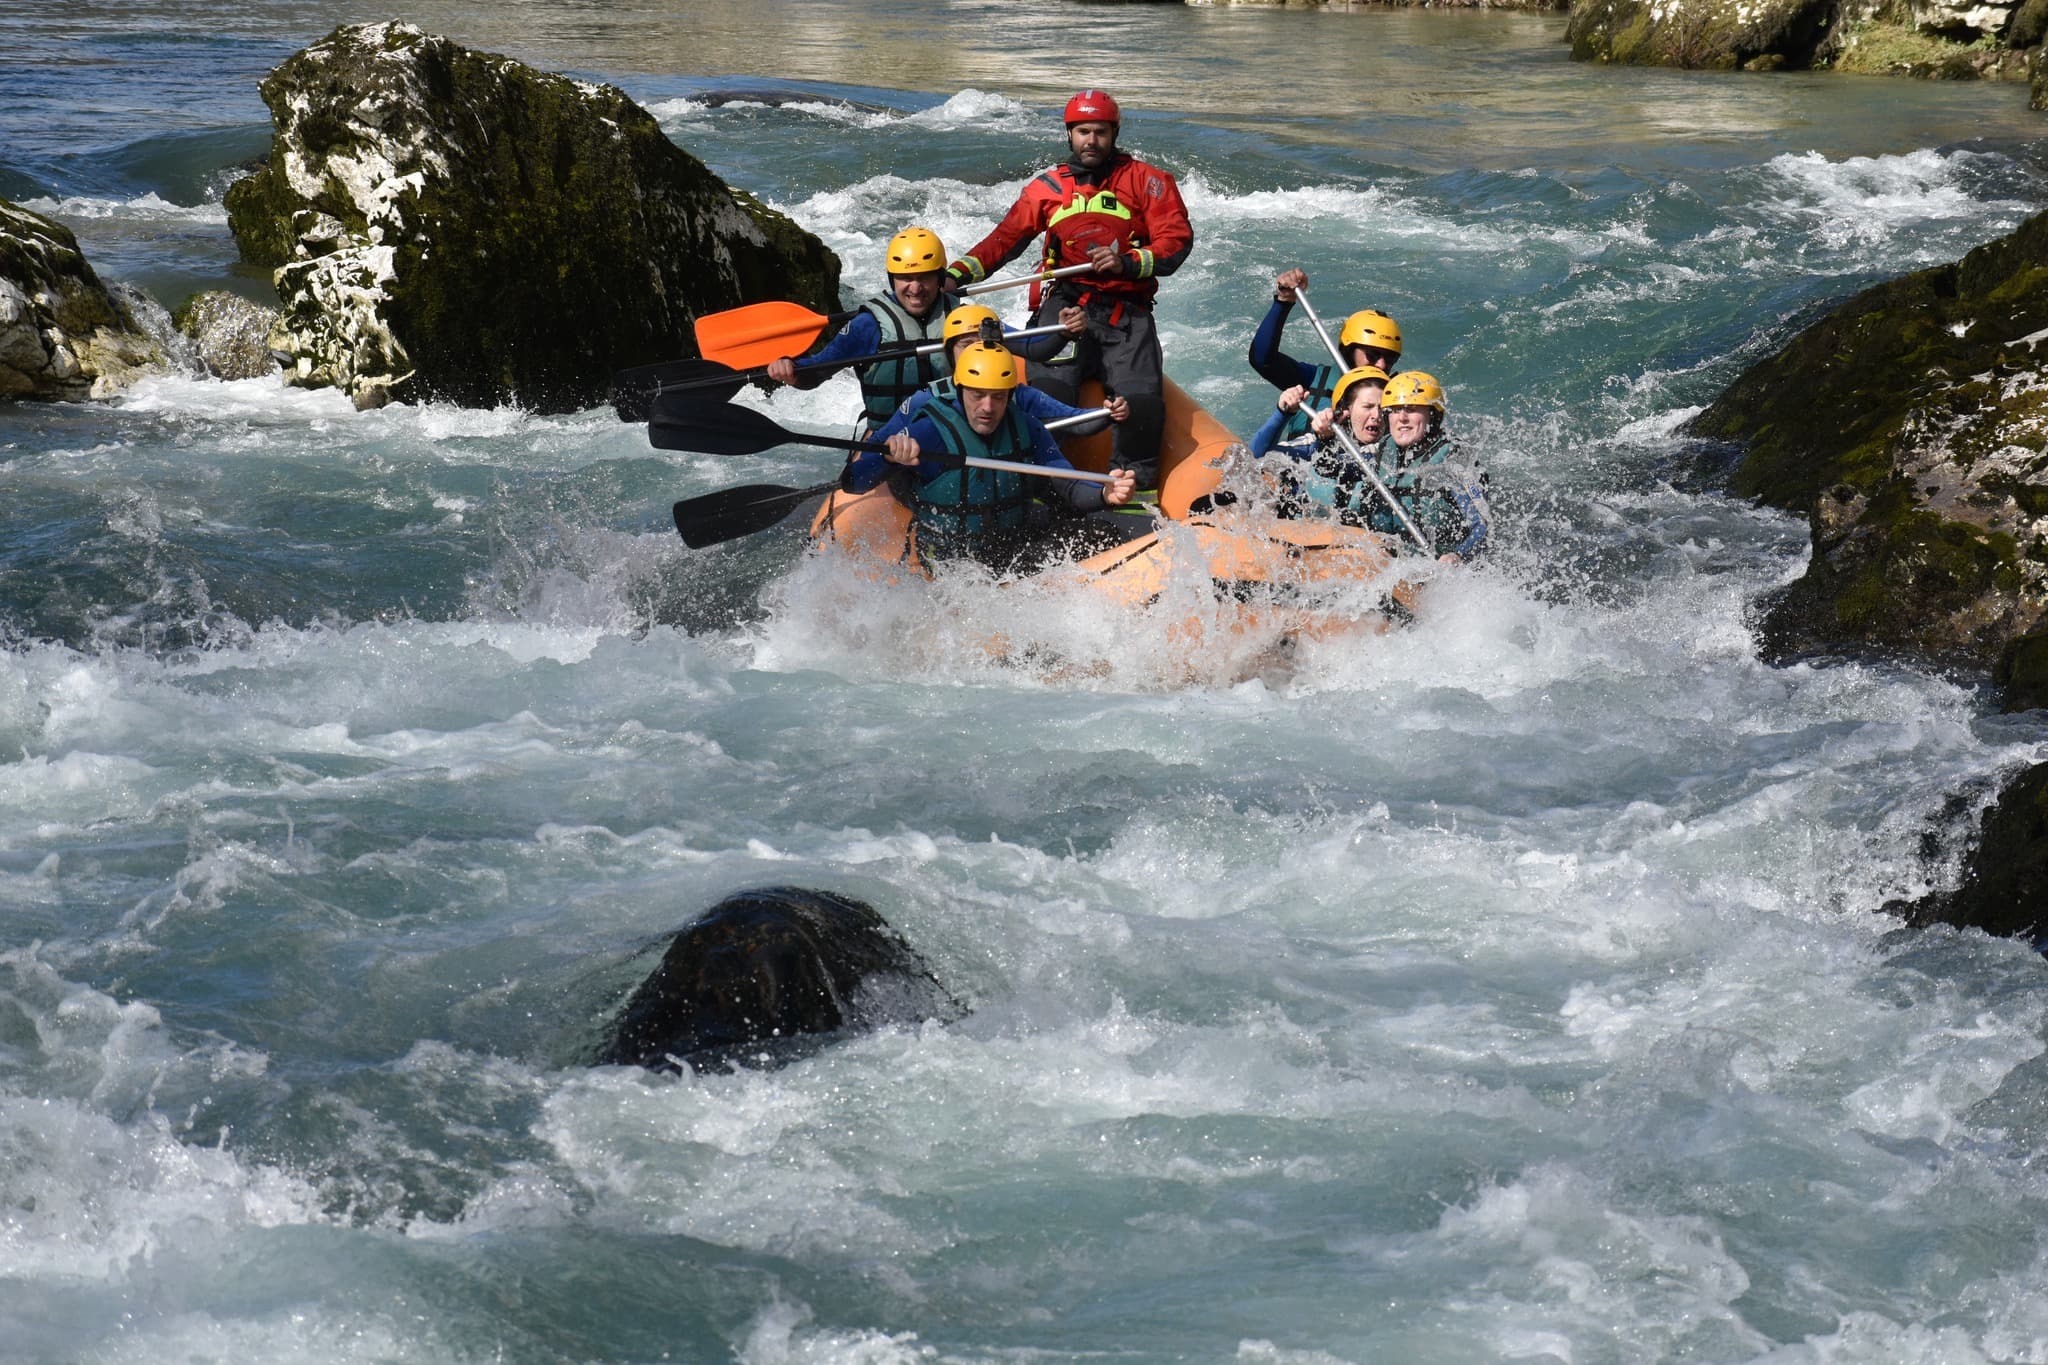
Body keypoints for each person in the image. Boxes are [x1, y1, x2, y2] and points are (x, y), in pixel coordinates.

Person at [943, 89, 1194, 491]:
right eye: (1082, 132)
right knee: (1047, 395)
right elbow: (1005, 239)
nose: (1091, 141)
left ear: (1114, 134)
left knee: (1142, 403)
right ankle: (1040, 487)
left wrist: (1127, 262)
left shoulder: (1149, 182)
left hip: (1126, 311)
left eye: (1099, 132)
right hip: (1065, 309)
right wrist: (957, 275)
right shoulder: (1046, 187)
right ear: (1069, 134)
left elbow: (1176, 241)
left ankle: (1134, 488)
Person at [846, 343, 1141, 572]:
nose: (987, 407)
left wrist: (1105, 493)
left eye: (998, 397)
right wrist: (889, 459)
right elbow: (853, 482)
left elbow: (1069, 484)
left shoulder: (1027, 426)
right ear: (960, 390)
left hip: (1013, 543)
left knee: (1100, 532)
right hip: (955, 562)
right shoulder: (929, 432)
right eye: (977, 395)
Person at [765, 226, 951, 435]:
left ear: (940, 278)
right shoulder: (868, 325)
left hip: (948, 435)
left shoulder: (962, 319)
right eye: (906, 278)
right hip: (888, 439)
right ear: (893, 279)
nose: (915, 289)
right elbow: (817, 370)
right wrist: (791, 369)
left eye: (924, 277)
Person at [883, 302, 1129, 438]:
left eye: (983, 343)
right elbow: (882, 445)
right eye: (967, 345)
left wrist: (1108, 414)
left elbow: (1075, 421)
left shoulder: (1020, 395)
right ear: (950, 353)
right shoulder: (927, 399)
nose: (977, 351)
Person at [1247, 268, 1404, 442]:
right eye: (1372, 355)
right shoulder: (1314, 379)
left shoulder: (1395, 398)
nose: (1382, 365)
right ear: (1349, 351)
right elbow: (1263, 360)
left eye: (1390, 359)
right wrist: (1284, 302)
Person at [1366, 372, 1490, 564]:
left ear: (1432, 415)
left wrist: (1457, 556)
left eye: (1412, 409)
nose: (1402, 418)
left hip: (1437, 564)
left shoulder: (1454, 459)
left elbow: (1481, 525)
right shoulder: (1378, 452)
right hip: (1388, 558)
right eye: (1396, 410)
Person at [1245, 365, 1390, 521]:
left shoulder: (1389, 453)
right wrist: (1282, 413)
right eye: (1368, 407)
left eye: (1383, 408)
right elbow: (1254, 457)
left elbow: (1356, 468)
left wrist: (1325, 443)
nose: (1377, 415)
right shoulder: (1312, 443)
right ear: (1345, 411)